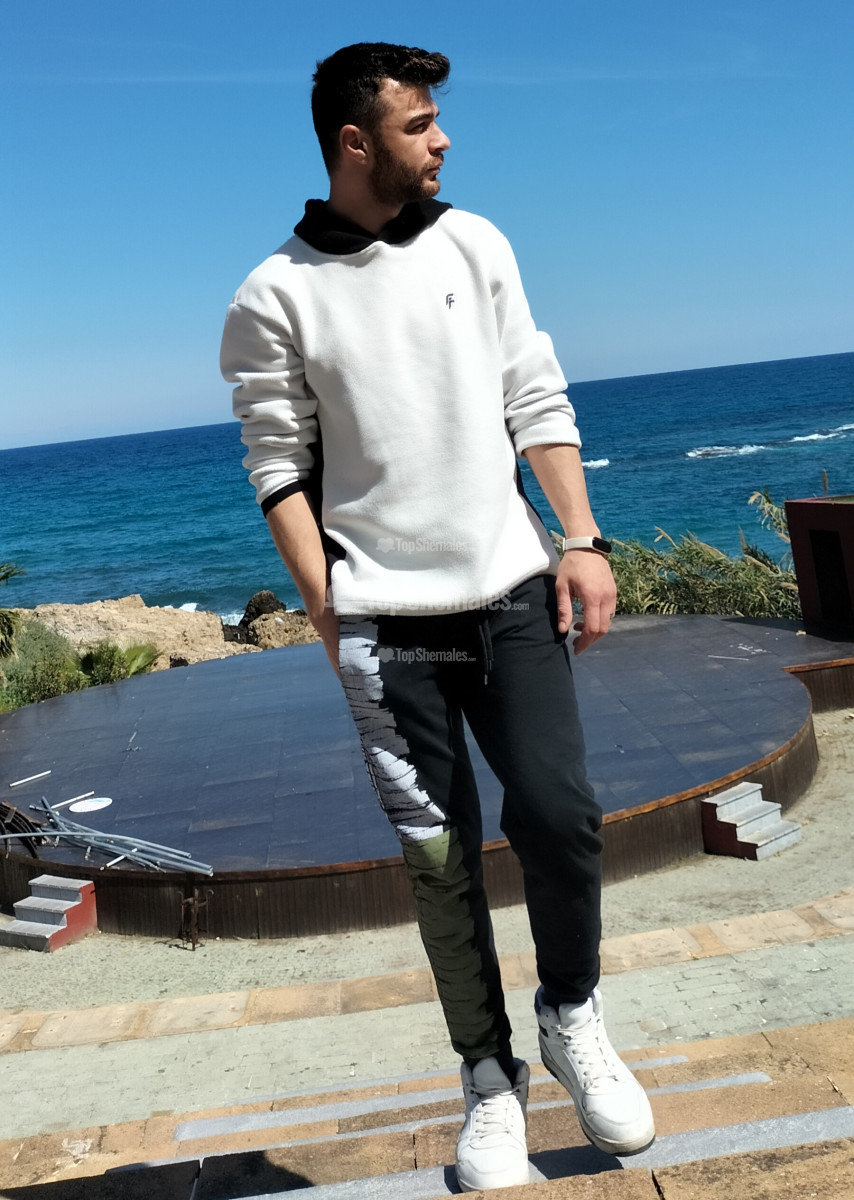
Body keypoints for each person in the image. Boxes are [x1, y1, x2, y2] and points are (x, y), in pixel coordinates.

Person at [221, 41, 654, 1191]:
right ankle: (488, 1079)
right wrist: (330, 619)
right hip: (386, 623)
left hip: (508, 590)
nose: (442, 138)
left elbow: (533, 392)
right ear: (354, 142)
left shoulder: (477, 244)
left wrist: (580, 538)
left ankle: (569, 1015)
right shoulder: (273, 297)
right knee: (438, 858)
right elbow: (278, 470)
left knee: (559, 813)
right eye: (417, 123)